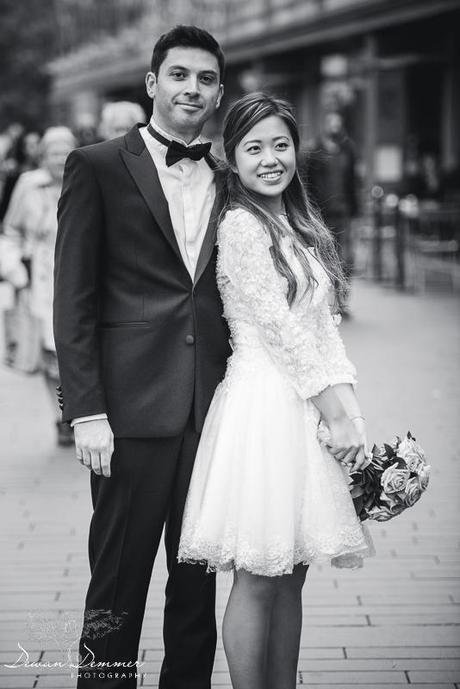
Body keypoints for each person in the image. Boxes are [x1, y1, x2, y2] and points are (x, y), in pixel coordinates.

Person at [53, 25, 230, 689]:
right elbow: (72, 299)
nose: (192, 88)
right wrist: (86, 411)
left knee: (196, 592)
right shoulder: (97, 166)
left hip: (212, 414)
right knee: (116, 586)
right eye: (179, 74)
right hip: (126, 416)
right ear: (153, 83)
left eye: (206, 78)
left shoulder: (229, 174)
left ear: (219, 93)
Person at [178, 93, 372, 689]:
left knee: (293, 574)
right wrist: (332, 412)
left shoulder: (299, 223)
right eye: (254, 148)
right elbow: (283, 334)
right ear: (231, 159)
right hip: (264, 406)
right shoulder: (239, 226)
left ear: (296, 151)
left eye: (280, 145)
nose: (270, 159)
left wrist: (350, 411)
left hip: (306, 406)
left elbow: (322, 328)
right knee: (259, 573)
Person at [1, 127, 76, 445]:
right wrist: (15, 269)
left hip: (78, 271)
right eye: (52, 152)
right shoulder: (28, 185)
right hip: (42, 276)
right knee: (50, 353)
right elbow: (11, 229)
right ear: (42, 156)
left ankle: (78, 409)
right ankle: (62, 415)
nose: (59, 158)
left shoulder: (85, 177)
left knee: (77, 346)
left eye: (65, 150)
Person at [305, 111, 358, 316]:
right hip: (321, 214)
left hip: (344, 212)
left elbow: (354, 182)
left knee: (346, 259)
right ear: (325, 125)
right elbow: (307, 183)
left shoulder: (348, 150)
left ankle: (342, 303)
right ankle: (322, 305)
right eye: (332, 123)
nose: (335, 127)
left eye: (339, 123)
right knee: (322, 258)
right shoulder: (314, 151)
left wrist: (356, 211)